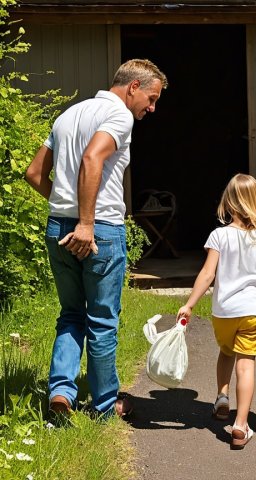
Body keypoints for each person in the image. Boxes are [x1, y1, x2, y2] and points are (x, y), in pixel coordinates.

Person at [25, 59, 168, 418]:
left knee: (71, 314)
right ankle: (105, 408)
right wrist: (86, 223)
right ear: (133, 87)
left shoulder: (68, 115)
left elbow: (33, 173)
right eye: (151, 98)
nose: (151, 108)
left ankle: (61, 393)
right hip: (99, 231)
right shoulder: (119, 116)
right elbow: (93, 159)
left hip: (58, 227)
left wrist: (65, 208)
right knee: (102, 321)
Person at [177, 173, 256, 450]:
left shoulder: (218, 235)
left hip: (224, 312)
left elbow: (208, 273)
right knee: (245, 365)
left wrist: (189, 304)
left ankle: (222, 396)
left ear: (229, 203)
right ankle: (240, 424)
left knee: (225, 352)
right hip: (251, 312)